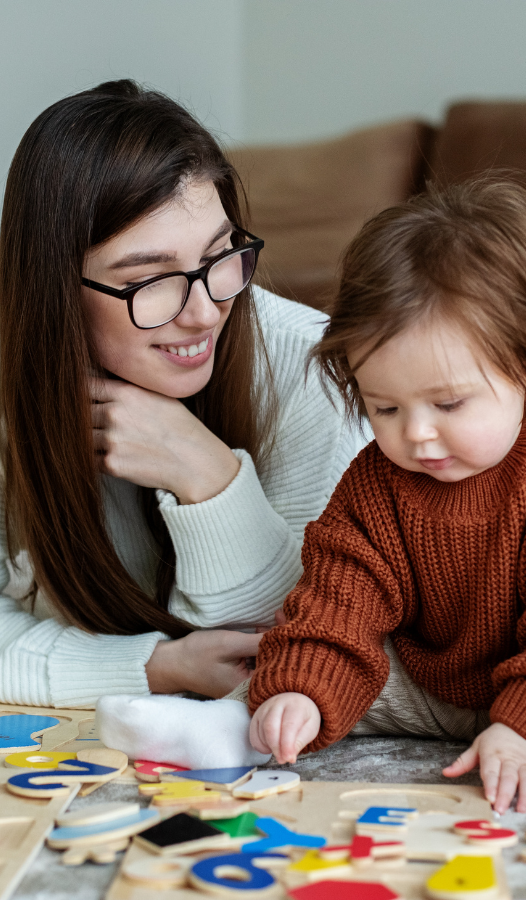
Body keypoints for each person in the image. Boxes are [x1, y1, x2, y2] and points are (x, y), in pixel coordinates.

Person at [0, 80, 365, 748]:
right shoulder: (14, 388)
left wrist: (209, 477)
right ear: (55, 285)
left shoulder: (316, 371)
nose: (204, 311)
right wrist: (156, 666)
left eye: (219, 256)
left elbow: (301, 647)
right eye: (148, 279)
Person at [248, 177, 526, 812]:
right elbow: (338, 600)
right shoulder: (375, 484)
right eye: (383, 407)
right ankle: (233, 730)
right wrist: (296, 691)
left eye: (448, 403)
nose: (416, 434)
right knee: (291, 685)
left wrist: (522, 728)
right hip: (434, 690)